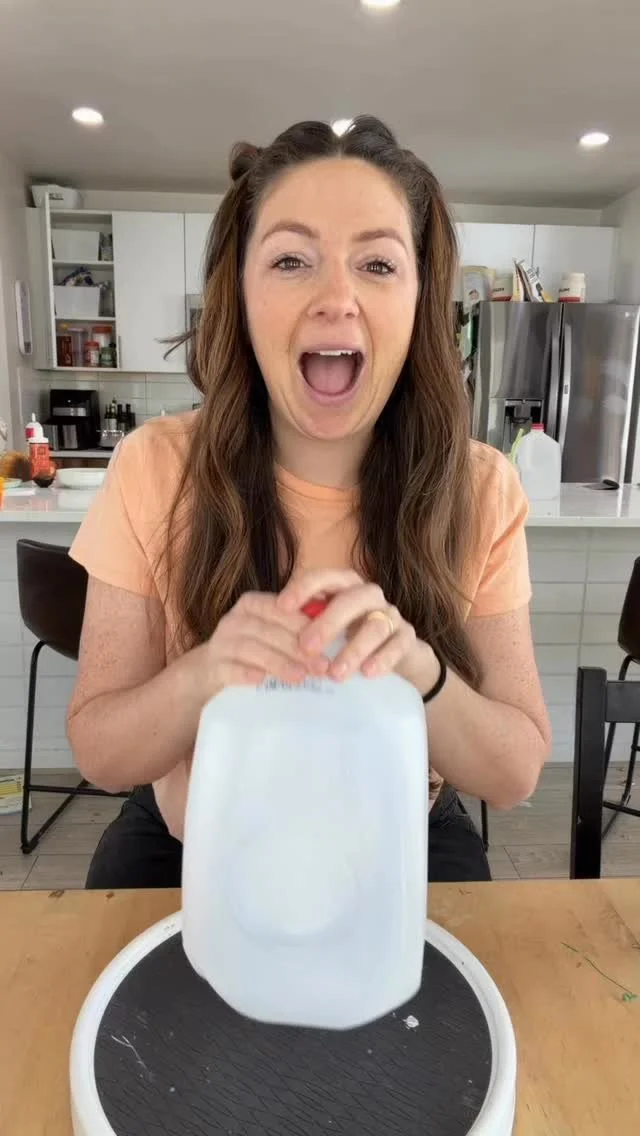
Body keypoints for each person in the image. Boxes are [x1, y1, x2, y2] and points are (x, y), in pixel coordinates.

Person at [67, 116, 551, 889]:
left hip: (401, 843)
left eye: (378, 264)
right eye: (291, 260)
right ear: (241, 292)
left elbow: (516, 772)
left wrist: (417, 670)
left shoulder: (483, 488)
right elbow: (101, 751)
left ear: (420, 300)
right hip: (192, 842)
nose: (337, 299)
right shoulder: (154, 468)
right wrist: (206, 672)